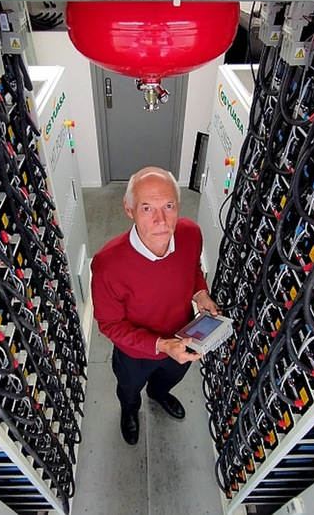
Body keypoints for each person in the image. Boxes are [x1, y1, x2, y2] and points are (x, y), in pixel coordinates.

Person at [91, 166, 219, 445]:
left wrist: (200, 293)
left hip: (184, 337)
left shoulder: (191, 233)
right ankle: (130, 411)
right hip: (135, 354)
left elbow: (192, 268)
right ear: (129, 209)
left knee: (169, 378)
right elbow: (109, 325)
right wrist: (161, 345)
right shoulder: (108, 264)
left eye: (168, 206)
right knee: (129, 389)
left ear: (178, 205)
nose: (161, 220)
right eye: (147, 208)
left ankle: (158, 395)